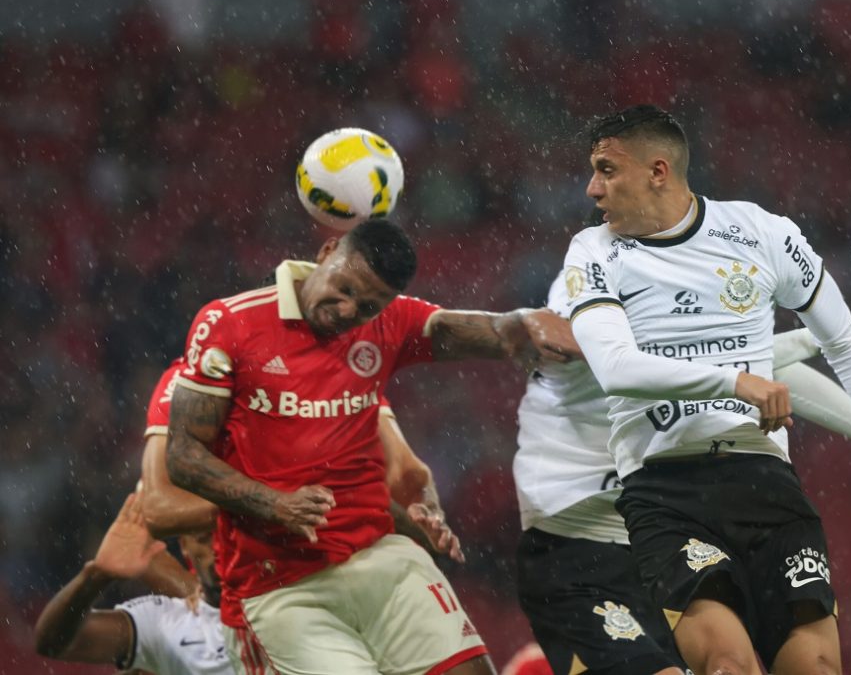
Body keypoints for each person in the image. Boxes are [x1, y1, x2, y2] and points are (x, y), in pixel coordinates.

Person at [562, 105, 851, 674]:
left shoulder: (762, 233)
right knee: (728, 665)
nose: (592, 187)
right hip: (667, 489)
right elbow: (617, 367)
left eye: (606, 169)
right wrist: (735, 382)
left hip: (766, 483)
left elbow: (843, 341)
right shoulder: (592, 252)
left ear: (658, 171)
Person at [514, 266, 851, 675]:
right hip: (584, 549)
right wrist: (806, 339)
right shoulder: (585, 290)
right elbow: (633, 361)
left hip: (673, 528)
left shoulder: (689, 295)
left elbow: (755, 368)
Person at [166, 217, 580, 675]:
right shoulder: (230, 323)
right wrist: (274, 504)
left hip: (379, 556)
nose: (347, 310)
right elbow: (183, 456)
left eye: (366, 306)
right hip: (279, 586)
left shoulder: (390, 322)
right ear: (326, 253)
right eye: (342, 289)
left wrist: (526, 324)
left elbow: (468, 329)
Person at [140, 358, 463, 560]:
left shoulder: (342, 366)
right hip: (243, 572)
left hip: (328, 560)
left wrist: (425, 519)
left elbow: (408, 475)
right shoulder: (195, 376)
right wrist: (271, 500)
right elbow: (159, 511)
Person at [34, 492, 229, 675]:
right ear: (184, 546)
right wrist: (97, 575)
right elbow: (54, 643)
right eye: (205, 539)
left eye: (229, 537)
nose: (219, 548)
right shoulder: (164, 622)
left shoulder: (258, 605)